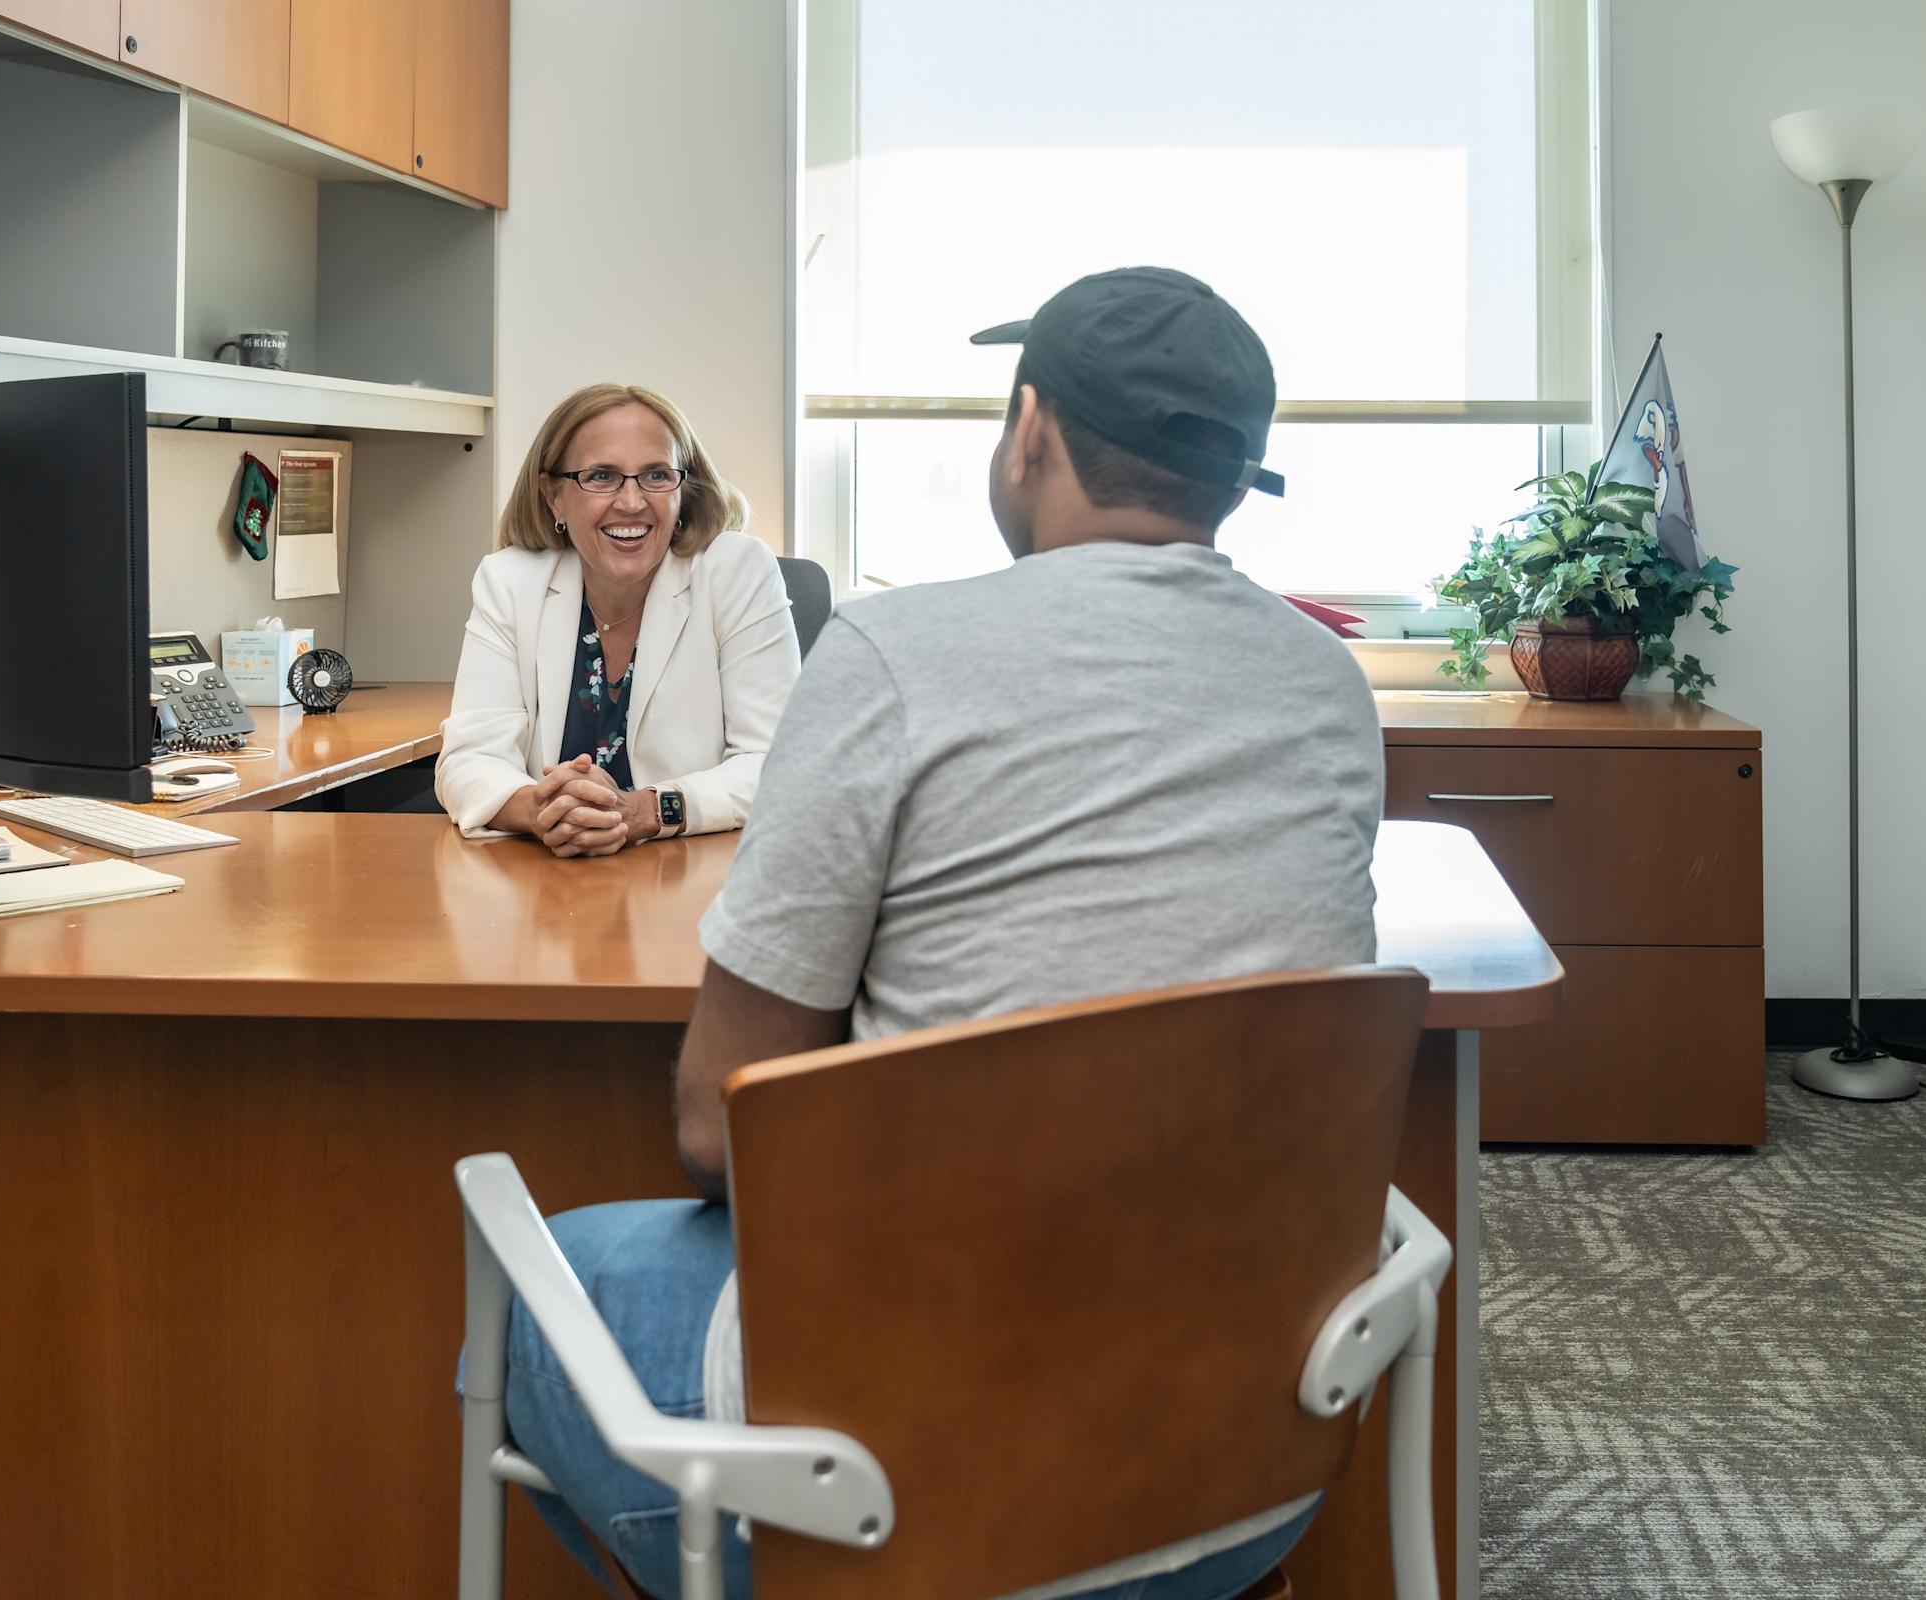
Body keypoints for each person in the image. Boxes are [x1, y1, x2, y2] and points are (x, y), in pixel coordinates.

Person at [474, 269, 1390, 1600]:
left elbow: (721, 1129)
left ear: (1031, 428)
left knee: (523, 1300)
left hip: (917, 1476)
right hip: (1248, 1457)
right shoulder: (1329, 683)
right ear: (1239, 477)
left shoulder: (898, 653)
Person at [436, 384, 801, 854]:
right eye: (602, 476)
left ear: (682, 490)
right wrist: (542, 808)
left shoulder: (736, 570)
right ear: (554, 497)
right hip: (549, 890)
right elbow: (467, 760)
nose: (631, 502)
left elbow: (779, 763)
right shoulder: (509, 580)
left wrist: (647, 811)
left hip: (694, 881)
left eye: (655, 475)